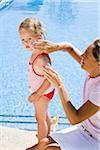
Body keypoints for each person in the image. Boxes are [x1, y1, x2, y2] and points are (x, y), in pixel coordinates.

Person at [30, 38, 100, 150]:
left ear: (99, 64)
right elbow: (69, 47)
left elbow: (75, 118)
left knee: (52, 148)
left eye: (86, 56)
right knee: (43, 143)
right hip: (84, 130)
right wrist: (55, 47)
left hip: (96, 140)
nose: (81, 57)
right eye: (84, 53)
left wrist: (60, 86)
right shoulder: (93, 69)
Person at [18, 17, 55, 148]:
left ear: (39, 37)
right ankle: (47, 135)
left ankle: (41, 144)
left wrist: (37, 94)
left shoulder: (41, 59)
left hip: (43, 92)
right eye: (23, 40)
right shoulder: (36, 52)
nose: (26, 43)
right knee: (43, 114)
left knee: (40, 118)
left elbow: (50, 79)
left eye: (29, 39)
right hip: (42, 91)